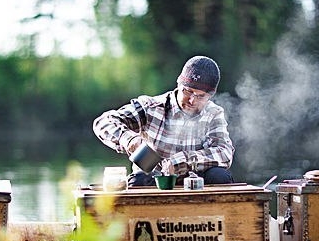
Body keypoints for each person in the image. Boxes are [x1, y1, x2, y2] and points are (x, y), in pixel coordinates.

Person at [93, 55, 235, 186]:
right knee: (138, 180)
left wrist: (181, 161)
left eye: (201, 96)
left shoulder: (214, 113)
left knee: (220, 176)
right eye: (188, 91)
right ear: (178, 84)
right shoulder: (150, 107)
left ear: (209, 96)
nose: (192, 100)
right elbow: (103, 122)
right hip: (153, 179)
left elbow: (225, 152)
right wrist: (129, 140)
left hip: (195, 184)